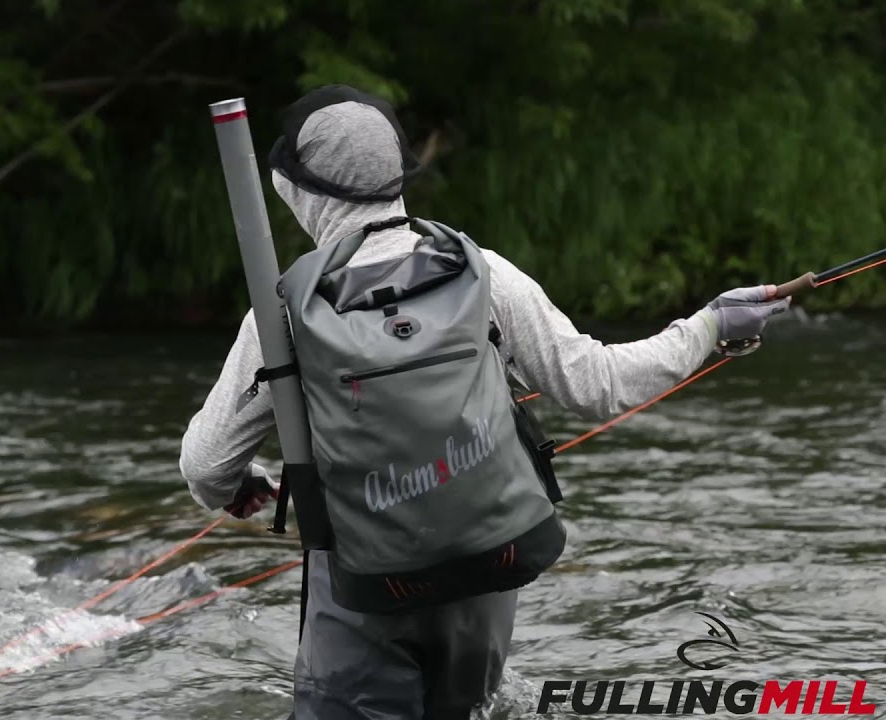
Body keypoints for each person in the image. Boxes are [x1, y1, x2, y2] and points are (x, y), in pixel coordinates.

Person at [179, 85, 790, 720]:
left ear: (298, 190)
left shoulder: (281, 312)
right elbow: (604, 383)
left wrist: (234, 489)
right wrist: (712, 324)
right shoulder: (484, 273)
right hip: (486, 573)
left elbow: (204, 464)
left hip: (363, 590)